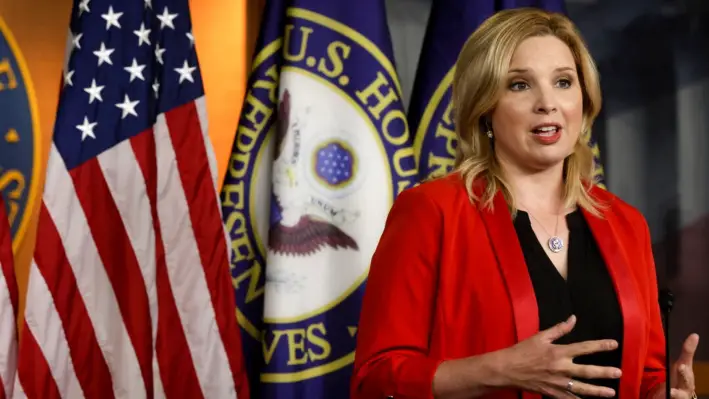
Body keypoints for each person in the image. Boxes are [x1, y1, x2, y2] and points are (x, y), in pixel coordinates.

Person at [350, 7, 700, 399]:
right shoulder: (432, 211)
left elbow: (644, 372)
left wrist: (660, 392)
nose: (547, 103)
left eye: (564, 82)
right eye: (520, 85)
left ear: (583, 101)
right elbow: (376, 380)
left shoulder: (625, 223)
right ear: (485, 107)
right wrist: (501, 369)